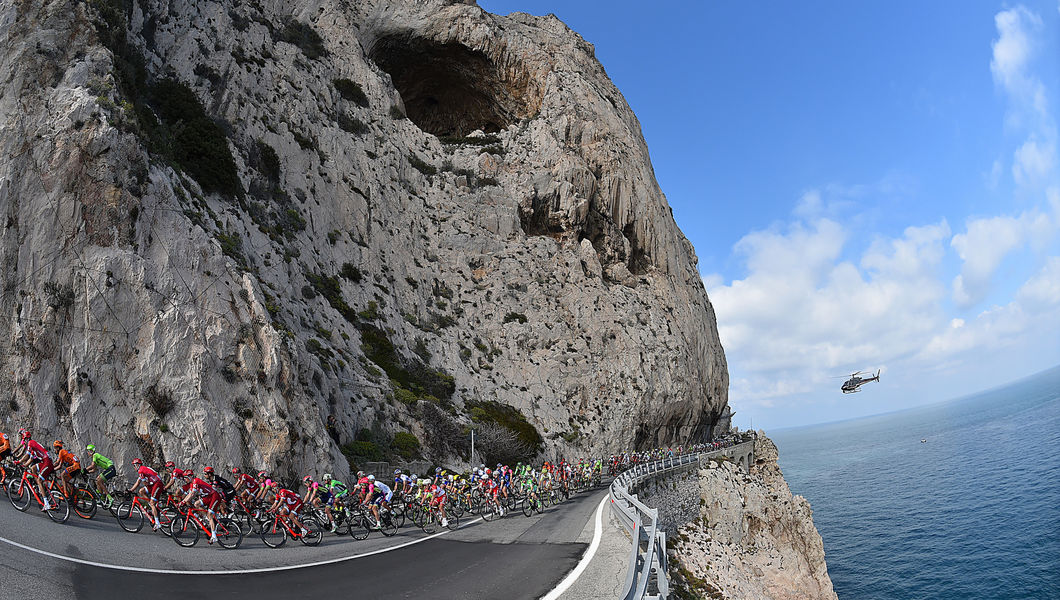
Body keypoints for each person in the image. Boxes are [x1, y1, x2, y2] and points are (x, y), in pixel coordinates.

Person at [180, 470, 222, 543]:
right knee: (196, 504)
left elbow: (192, 494)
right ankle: (206, 518)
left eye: (186, 477)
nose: (184, 479)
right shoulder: (191, 484)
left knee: (210, 515)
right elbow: (189, 495)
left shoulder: (196, 481)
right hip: (208, 497)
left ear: (190, 477)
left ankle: (214, 536)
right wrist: (182, 502)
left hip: (214, 496)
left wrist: (183, 502)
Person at [17, 430, 54, 510]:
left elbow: (26, 455)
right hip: (45, 461)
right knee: (33, 468)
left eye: (24, 440)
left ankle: (46, 503)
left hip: (46, 462)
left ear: (26, 439)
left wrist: (19, 461)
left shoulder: (31, 443)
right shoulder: (34, 446)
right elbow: (30, 458)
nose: (24, 442)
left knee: (40, 480)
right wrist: (24, 465)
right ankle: (39, 486)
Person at [128, 458, 164, 531]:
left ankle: (157, 523)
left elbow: (144, 483)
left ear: (137, 465)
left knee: (152, 503)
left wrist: (147, 484)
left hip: (157, 484)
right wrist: (131, 490)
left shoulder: (141, 470)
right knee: (141, 491)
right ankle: (150, 506)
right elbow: (138, 482)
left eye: (134, 466)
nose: (134, 467)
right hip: (153, 484)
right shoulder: (143, 469)